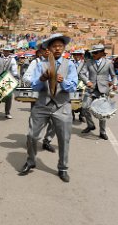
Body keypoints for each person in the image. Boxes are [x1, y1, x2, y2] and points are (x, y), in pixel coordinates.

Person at [19, 33, 78, 182]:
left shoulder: (70, 65)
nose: (57, 49)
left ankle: (63, 168)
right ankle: (31, 161)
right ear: (49, 49)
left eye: (60, 46)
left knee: (64, 139)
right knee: (31, 135)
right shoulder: (40, 64)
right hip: (42, 105)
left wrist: (62, 81)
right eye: (54, 46)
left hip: (62, 106)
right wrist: (42, 78)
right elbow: (34, 86)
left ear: (64, 48)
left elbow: (73, 86)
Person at [80, 44, 118, 140]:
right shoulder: (88, 62)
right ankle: (90, 125)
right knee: (84, 108)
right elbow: (82, 73)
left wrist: (115, 84)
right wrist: (87, 81)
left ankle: (102, 132)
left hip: (103, 90)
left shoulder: (108, 63)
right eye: (93, 53)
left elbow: (114, 75)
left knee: (103, 112)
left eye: (96, 52)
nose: (94, 54)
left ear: (101, 53)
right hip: (91, 89)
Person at [22, 44, 56, 153]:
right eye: (44, 49)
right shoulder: (35, 63)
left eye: (49, 48)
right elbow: (26, 77)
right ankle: (32, 139)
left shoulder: (57, 62)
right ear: (40, 51)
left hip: (55, 96)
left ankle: (47, 141)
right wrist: (38, 81)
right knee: (36, 121)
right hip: (39, 96)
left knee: (54, 121)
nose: (47, 51)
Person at [0, 45, 18, 119]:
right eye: (5, 50)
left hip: (8, 80)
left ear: (9, 52)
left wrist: (15, 76)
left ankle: (7, 113)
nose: (6, 52)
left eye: (8, 51)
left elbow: (14, 69)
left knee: (8, 97)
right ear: (3, 51)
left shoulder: (13, 60)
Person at [71, 49, 86, 122]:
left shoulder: (85, 64)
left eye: (78, 54)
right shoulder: (70, 63)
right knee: (72, 99)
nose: (76, 56)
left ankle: (81, 115)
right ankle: (72, 114)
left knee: (83, 100)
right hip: (72, 84)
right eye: (75, 55)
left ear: (81, 56)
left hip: (82, 84)